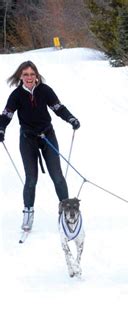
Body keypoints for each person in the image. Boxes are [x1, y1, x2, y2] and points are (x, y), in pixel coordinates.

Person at [0, 61, 80, 231]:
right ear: (20, 77)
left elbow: (58, 108)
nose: (29, 77)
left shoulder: (45, 90)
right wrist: (1, 129)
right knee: (31, 180)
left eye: (32, 74)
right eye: (25, 74)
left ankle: (66, 213)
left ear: (36, 76)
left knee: (57, 176)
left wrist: (71, 118)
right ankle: (28, 214)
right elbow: (6, 114)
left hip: (47, 136)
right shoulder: (16, 95)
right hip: (28, 139)